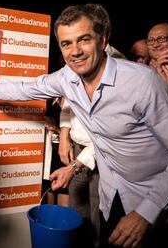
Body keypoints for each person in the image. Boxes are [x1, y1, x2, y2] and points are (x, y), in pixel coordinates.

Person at [0, 4, 168, 247]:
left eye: (83, 40)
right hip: (113, 198)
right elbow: (23, 88)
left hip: (158, 206)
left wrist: (146, 213)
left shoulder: (143, 83)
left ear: (102, 39)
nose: (75, 52)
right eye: (66, 44)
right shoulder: (67, 78)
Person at [58, 100, 100, 247]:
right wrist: (64, 137)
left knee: (98, 208)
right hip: (77, 147)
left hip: (101, 152)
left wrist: (73, 167)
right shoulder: (72, 78)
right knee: (76, 204)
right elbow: (67, 107)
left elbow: (105, 139)